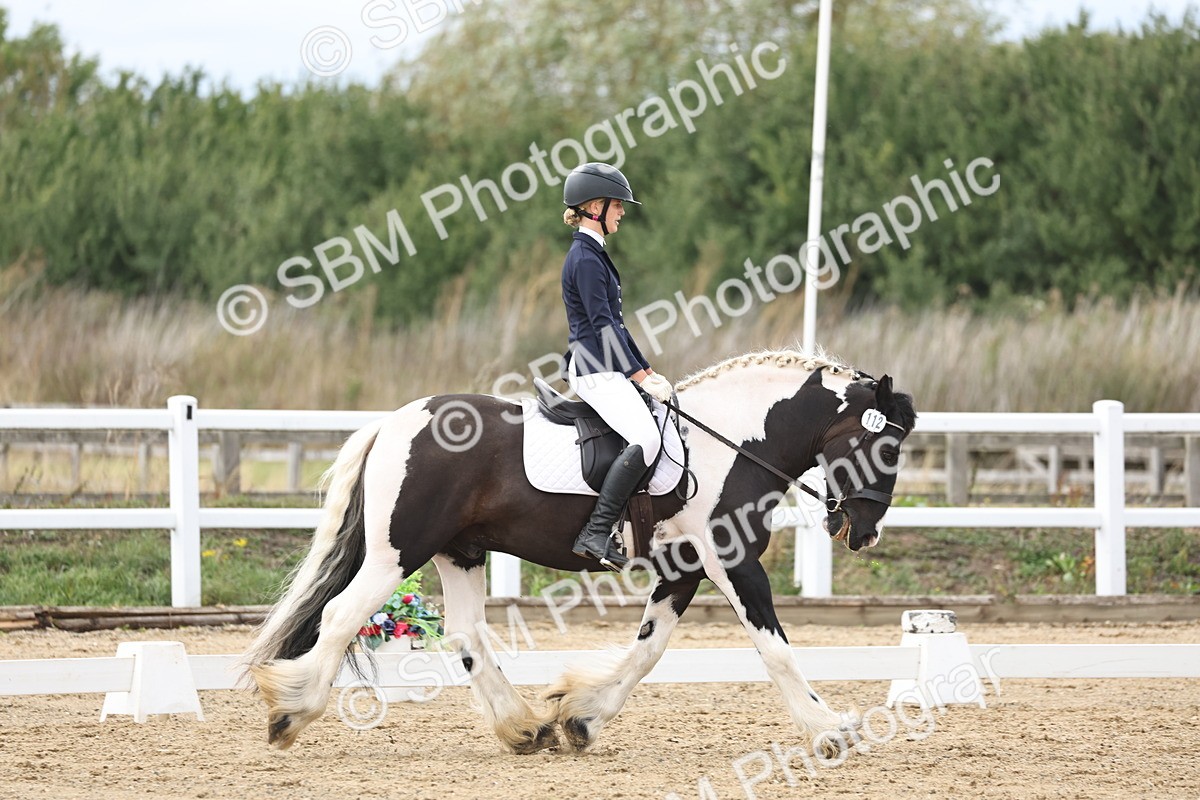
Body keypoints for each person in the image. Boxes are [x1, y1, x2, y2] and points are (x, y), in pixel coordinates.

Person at [559, 162, 674, 571]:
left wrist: (647, 370)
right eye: (618, 206)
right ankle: (596, 531)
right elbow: (602, 326)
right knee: (647, 438)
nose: (623, 212)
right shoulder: (586, 258)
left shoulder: (593, 253)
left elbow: (618, 327)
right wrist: (638, 376)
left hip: (604, 365)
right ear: (595, 207)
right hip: (593, 368)